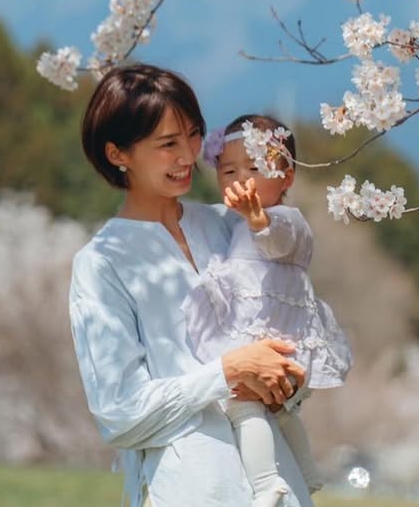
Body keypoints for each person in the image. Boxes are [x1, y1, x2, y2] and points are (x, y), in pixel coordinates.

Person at [69, 64, 314, 507]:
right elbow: (120, 412)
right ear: (117, 154)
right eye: (167, 144)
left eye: (194, 135)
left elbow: (291, 311)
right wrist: (227, 373)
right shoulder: (102, 263)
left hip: (278, 486)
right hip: (194, 488)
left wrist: (289, 380)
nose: (188, 155)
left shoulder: (229, 224)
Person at [184, 114, 352, 507]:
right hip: (257, 331)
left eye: (256, 167)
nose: (241, 178)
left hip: (270, 334)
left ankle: (266, 483)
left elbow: (276, 242)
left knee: (241, 405)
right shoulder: (234, 221)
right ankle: (307, 470)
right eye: (228, 170)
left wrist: (258, 218)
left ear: (287, 176)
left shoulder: (286, 220)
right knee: (276, 410)